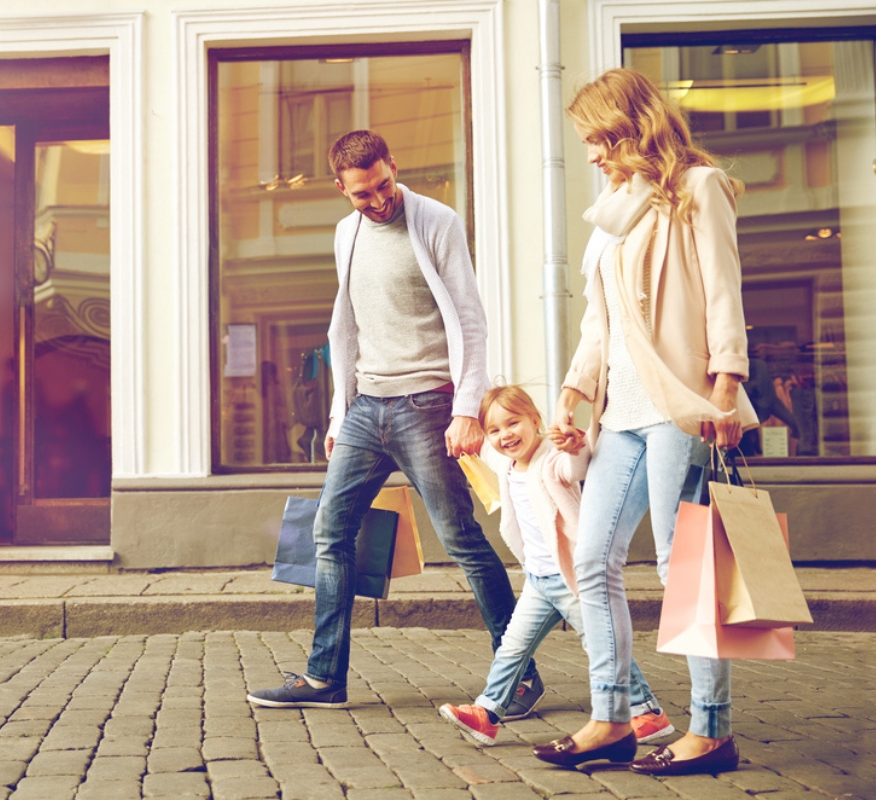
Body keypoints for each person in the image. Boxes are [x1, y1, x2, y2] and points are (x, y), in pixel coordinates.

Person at [247, 130, 539, 712]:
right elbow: (346, 323)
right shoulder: (345, 231)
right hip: (365, 408)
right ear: (341, 189)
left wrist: (464, 410)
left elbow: (471, 321)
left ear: (393, 166)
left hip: (427, 405)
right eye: (362, 194)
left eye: (383, 185)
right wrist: (339, 410)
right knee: (330, 533)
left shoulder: (436, 221)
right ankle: (325, 677)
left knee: (460, 540)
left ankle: (519, 678)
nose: (378, 201)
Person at [534, 68, 758, 775]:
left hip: (677, 406)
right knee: (591, 561)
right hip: (619, 412)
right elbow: (600, 319)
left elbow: (724, 295)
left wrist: (725, 388)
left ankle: (712, 729)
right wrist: (573, 389)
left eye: (598, 139)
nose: (593, 155)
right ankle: (613, 717)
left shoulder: (699, 187)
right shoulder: (614, 209)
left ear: (632, 126)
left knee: (681, 564)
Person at [439, 386, 674, 747]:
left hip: (571, 576)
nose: (506, 435)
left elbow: (574, 468)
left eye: (513, 423)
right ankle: (487, 714)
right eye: (495, 430)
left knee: (601, 641)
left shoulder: (550, 459)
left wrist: (574, 445)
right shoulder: (508, 466)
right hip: (538, 579)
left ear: (535, 420)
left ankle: (647, 712)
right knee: (512, 646)